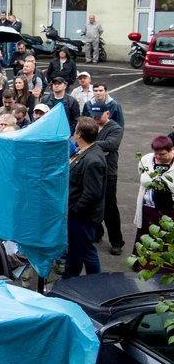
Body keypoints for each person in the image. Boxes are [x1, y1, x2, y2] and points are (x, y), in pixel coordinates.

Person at [64, 117, 106, 279]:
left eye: (75, 130)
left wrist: (75, 210)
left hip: (82, 216)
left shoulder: (92, 159)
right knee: (74, 249)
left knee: (87, 251)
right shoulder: (83, 151)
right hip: (77, 214)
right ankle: (69, 279)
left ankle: (95, 284)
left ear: (79, 134)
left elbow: (92, 193)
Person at [91, 103, 124, 255]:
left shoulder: (115, 128)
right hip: (93, 170)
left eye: (99, 115)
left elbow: (111, 144)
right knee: (93, 203)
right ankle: (97, 233)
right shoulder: (92, 125)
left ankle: (116, 242)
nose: (96, 118)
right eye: (94, 115)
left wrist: (90, 144)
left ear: (107, 113)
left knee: (110, 207)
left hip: (108, 172)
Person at [134, 136, 174, 253]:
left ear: (171, 150)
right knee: (146, 239)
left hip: (169, 212)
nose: (158, 157)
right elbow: (141, 174)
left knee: (165, 241)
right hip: (148, 209)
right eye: (156, 154)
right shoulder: (146, 159)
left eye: (162, 154)